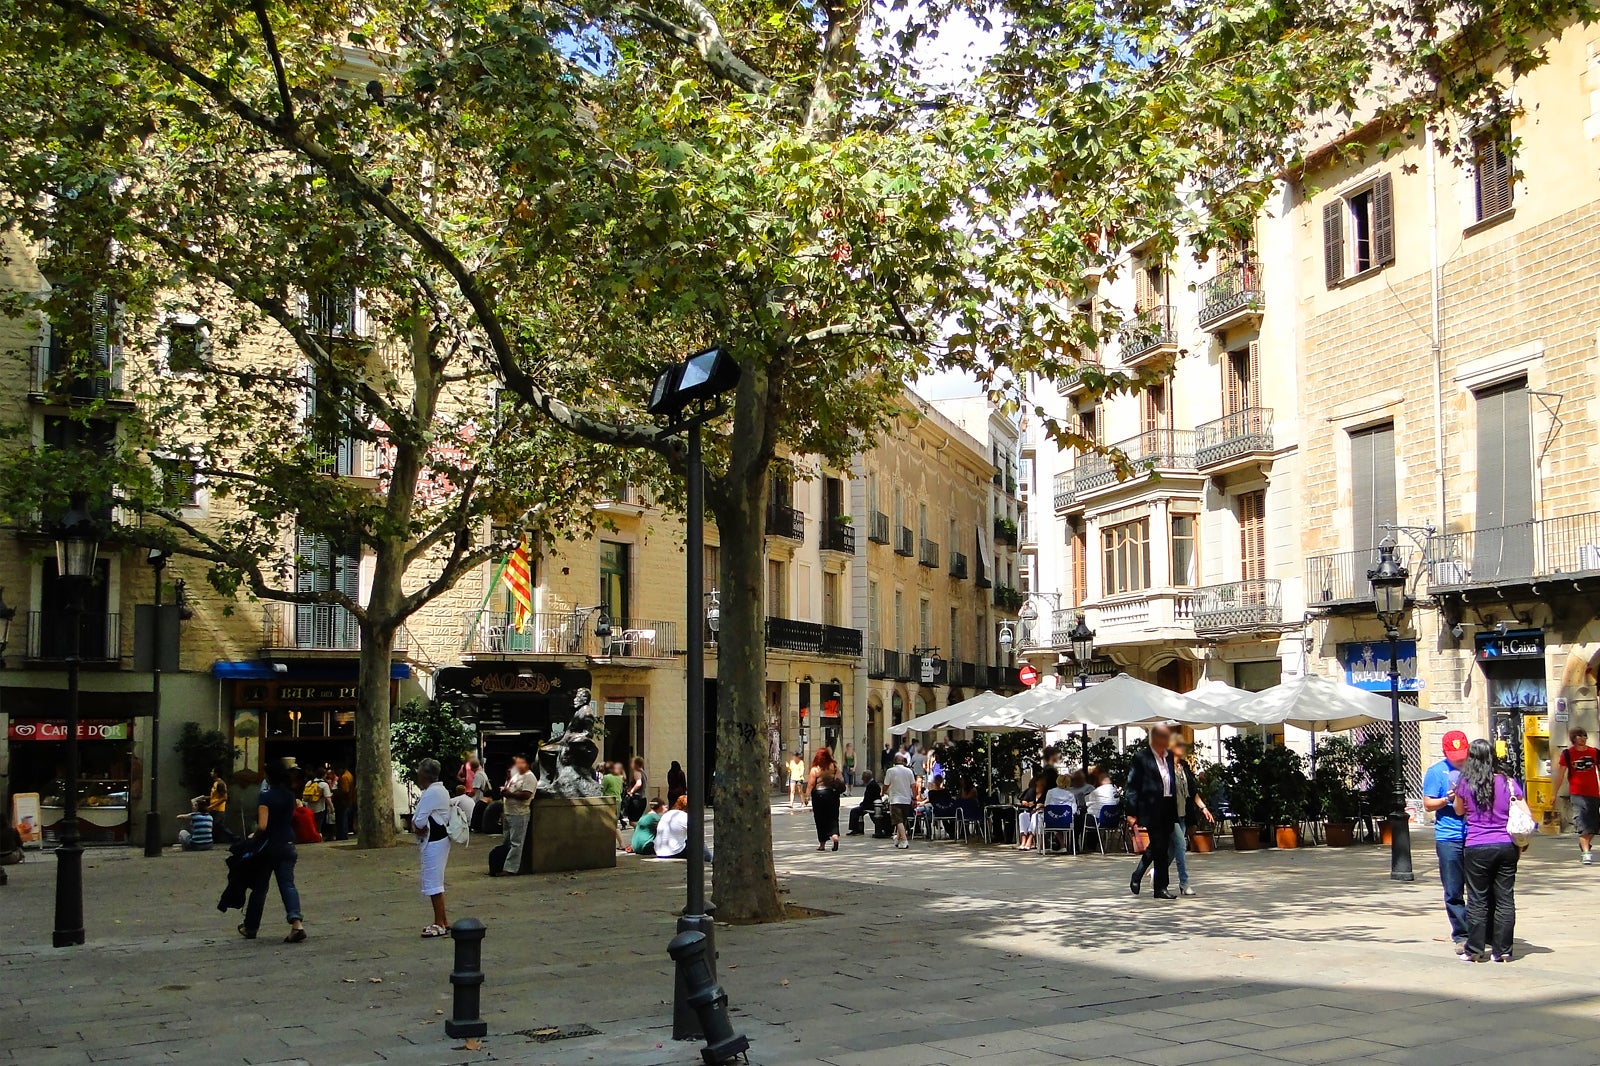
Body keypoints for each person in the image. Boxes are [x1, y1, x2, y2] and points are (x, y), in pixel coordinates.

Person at [1454, 738, 1526, 962]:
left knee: (1477, 899)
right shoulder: (1509, 782)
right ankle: (1503, 950)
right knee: (1505, 898)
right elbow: (1524, 811)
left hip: (1476, 845)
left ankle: (1475, 950)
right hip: (1506, 845)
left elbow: (1458, 811)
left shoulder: (1465, 783)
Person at [240, 757, 307, 943]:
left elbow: (262, 826)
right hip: (288, 844)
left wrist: (254, 836)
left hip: (269, 847)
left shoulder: (265, 796)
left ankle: (250, 927)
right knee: (288, 884)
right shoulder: (289, 795)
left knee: (260, 889)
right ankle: (296, 924)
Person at [1422, 730, 1472, 950]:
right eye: (1455, 755)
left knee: (1478, 887)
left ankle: (1481, 930)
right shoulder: (1436, 772)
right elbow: (1428, 804)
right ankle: (1461, 933)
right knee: (1453, 888)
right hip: (1448, 836)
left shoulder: (1476, 769)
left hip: (1474, 835)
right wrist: (1446, 799)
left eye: (1462, 753)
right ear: (1444, 752)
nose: (1460, 759)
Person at [1126, 725, 1180, 900]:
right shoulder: (1141, 758)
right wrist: (1131, 812)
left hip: (1167, 807)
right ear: (1155, 739)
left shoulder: (1169, 756)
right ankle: (1160, 888)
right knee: (1161, 847)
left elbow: (1170, 782)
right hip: (1151, 807)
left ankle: (1137, 874)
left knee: (1157, 846)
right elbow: (1133, 785)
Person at [410, 758, 453, 938]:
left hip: (433, 840)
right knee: (435, 881)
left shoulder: (431, 793)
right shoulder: (439, 790)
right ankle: (443, 920)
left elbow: (418, 821)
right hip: (439, 839)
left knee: (433, 882)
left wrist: (416, 825)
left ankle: (439, 923)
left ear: (423, 775)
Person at [1168, 738, 1213, 897]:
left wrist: (1203, 808)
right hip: (1170, 815)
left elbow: (1192, 792)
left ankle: (1158, 872)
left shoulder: (1184, 767)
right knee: (1181, 846)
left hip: (1183, 814)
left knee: (1173, 850)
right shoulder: (1165, 768)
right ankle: (1184, 882)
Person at [1553, 726, 1600, 865]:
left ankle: (1585, 844)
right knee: (1582, 822)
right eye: (1579, 736)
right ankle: (1586, 852)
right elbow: (1560, 775)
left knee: (1593, 825)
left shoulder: (1595, 752)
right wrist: (1554, 794)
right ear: (1573, 739)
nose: (1582, 738)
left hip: (1594, 793)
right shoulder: (1567, 754)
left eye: (1584, 736)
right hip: (1577, 794)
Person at [499, 754, 537, 876]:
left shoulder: (529, 777)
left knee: (516, 842)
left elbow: (526, 794)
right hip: (509, 811)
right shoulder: (516, 776)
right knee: (507, 840)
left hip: (519, 813)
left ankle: (510, 868)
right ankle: (502, 863)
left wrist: (510, 794)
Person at [654, 797, 712, 861]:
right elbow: (700, 833)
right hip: (674, 851)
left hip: (658, 851)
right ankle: (708, 859)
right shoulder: (684, 816)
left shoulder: (667, 814)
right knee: (699, 842)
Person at [808, 748, 844, 851]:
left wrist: (806, 796)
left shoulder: (815, 768)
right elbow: (840, 779)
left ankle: (822, 844)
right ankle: (835, 836)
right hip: (832, 794)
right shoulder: (834, 767)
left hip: (818, 795)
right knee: (833, 817)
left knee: (820, 819)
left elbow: (811, 784)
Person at [884, 751, 916, 850]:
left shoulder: (890, 771)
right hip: (906, 799)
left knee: (898, 820)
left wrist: (882, 792)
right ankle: (898, 839)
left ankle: (905, 840)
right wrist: (914, 797)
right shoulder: (909, 771)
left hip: (895, 799)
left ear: (894, 761)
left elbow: (886, 785)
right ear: (903, 762)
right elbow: (913, 786)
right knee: (902, 820)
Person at [1017, 775, 1046, 851]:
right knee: (1022, 815)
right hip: (1030, 811)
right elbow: (1023, 801)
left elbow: (1050, 804)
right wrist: (1027, 803)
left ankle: (1030, 839)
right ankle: (1023, 840)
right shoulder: (1031, 791)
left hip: (1042, 813)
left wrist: (1043, 805)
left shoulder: (1047, 793)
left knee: (1035, 816)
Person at [206, 767, 235, 843]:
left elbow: (224, 797)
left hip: (219, 809)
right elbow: (216, 796)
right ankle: (213, 841)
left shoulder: (220, 783)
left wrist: (212, 806)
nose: (211, 773)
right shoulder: (215, 783)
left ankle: (234, 838)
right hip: (214, 809)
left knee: (219, 826)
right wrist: (206, 797)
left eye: (212, 771)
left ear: (216, 774)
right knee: (216, 826)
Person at [847, 771, 881, 836]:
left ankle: (855, 829)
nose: (862, 779)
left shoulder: (871, 785)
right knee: (857, 810)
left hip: (870, 805)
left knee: (854, 811)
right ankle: (858, 829)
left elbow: (868, 799)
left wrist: (862, 805)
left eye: (863, 777)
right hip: (873, 804)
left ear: (867, 777)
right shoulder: (873, 784)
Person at [301, 769, 331, 836]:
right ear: (324, 775)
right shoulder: (324, 784)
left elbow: (305, 794)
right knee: (318, 826)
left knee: (311, 825)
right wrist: (332, 808)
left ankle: (310, 837)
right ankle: (317, 837)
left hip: (309, 808)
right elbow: (328, 798)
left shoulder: (309, 782)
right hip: (319, 808)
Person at [333, 763, 355, 841]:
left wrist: (335, 792)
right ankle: (343, 834)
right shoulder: (349, 775)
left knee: (342, 819)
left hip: (343, 801)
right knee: (344, 818)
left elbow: (345, 790)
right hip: (348, 800)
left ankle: (342, 835)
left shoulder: (344, 777)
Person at [624, 756, 649, 822]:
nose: (631, 764)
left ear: (636, 764)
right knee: (637, 820)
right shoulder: (643, 773)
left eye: (632, 763)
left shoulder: (637, 772)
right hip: (643, 798)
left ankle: (640, 830)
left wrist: (631, 791)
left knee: (633, 821)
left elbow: (638, 783)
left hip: (637, 799)